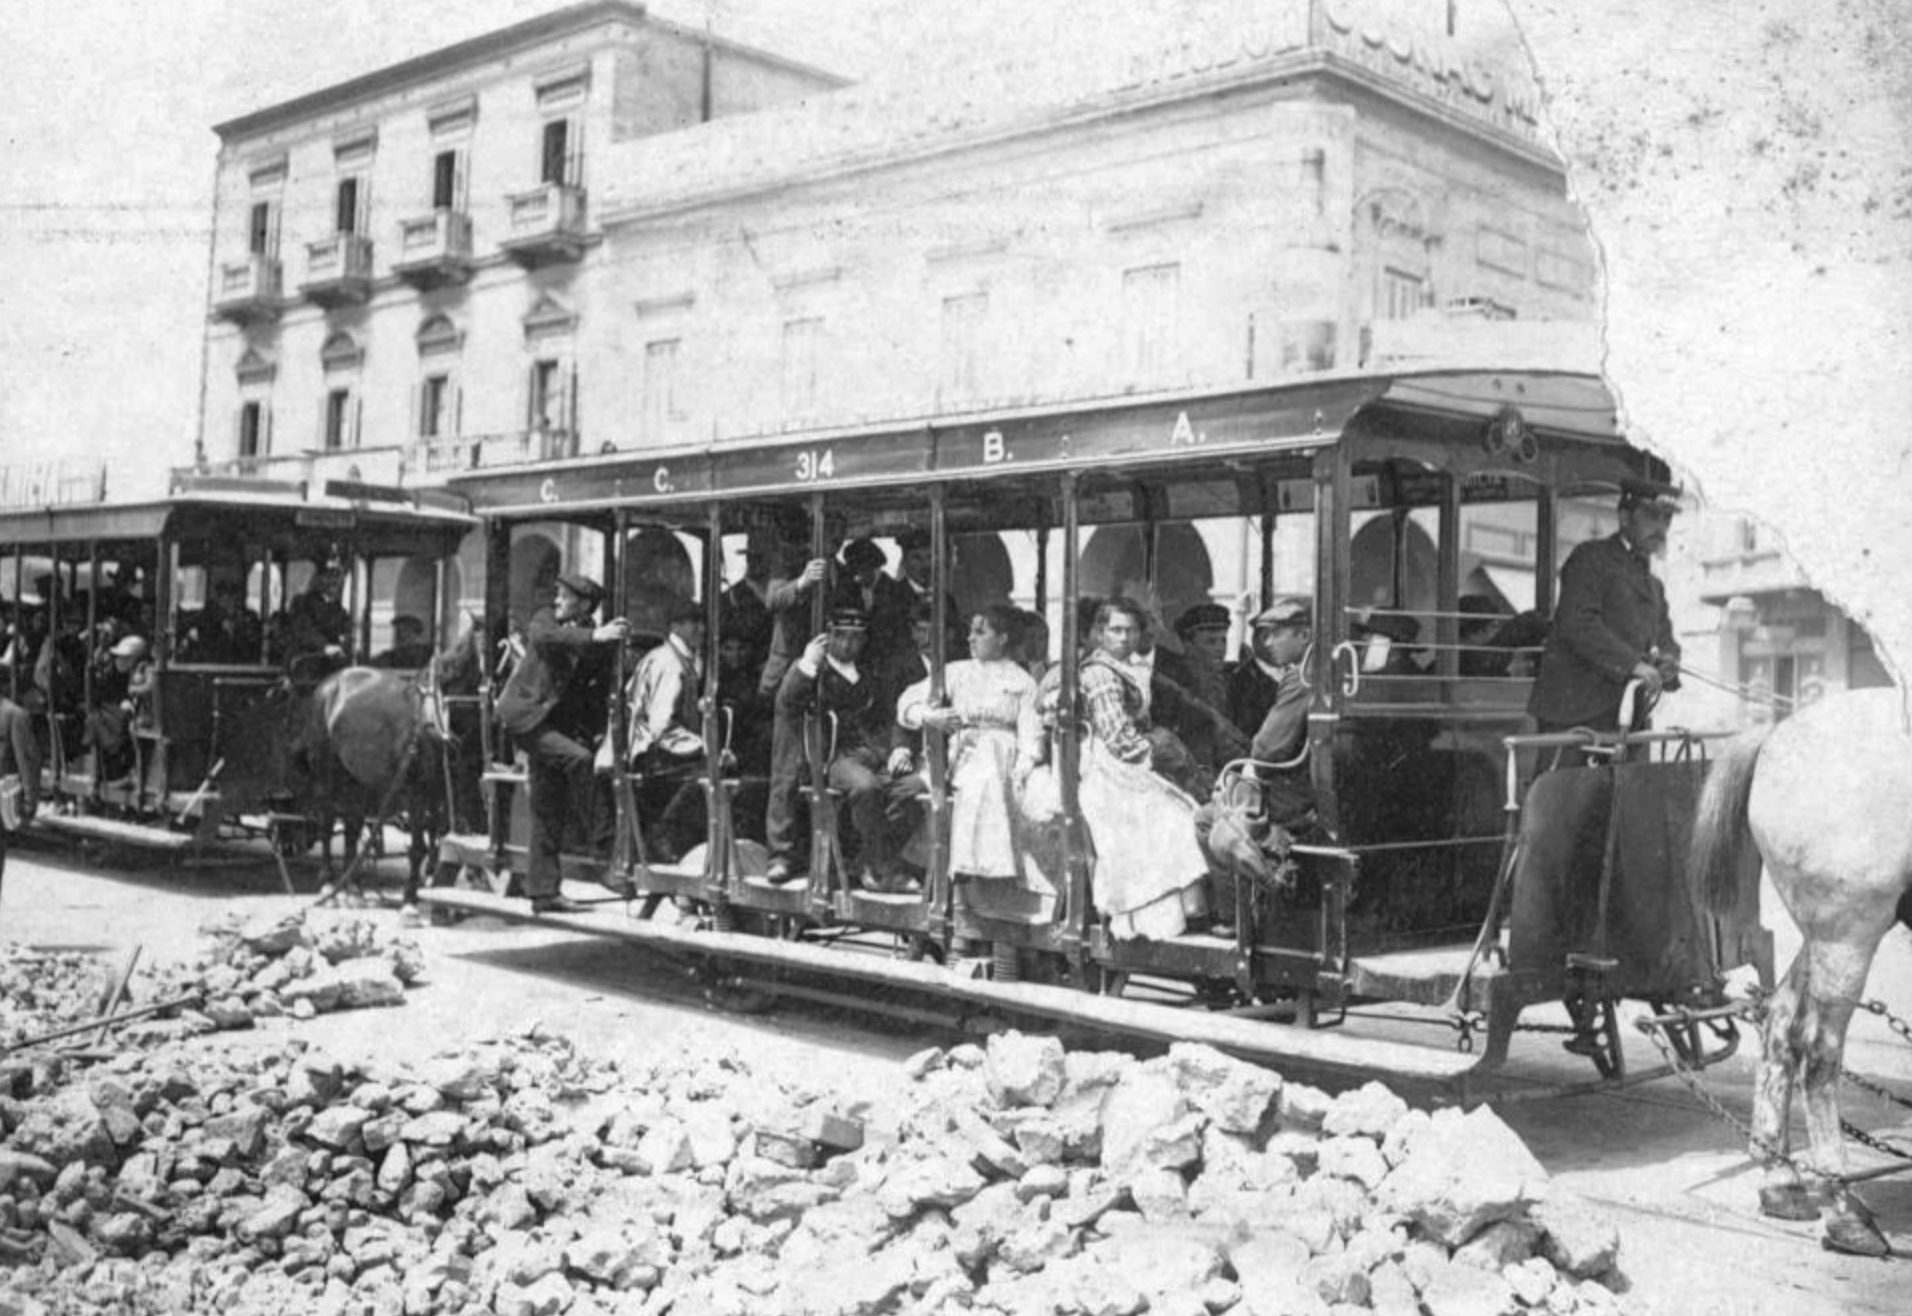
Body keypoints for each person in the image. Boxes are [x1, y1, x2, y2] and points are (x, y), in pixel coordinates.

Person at [1075, 598, 1211, 940]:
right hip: (1111, 772)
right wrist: (1160, 750)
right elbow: (1119, 737)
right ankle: (1153, 920)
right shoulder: (1099, 673)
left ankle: (1183, 913)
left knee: (1183, 813)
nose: (1124, 637)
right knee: (1175, 820)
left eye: (1131, 630)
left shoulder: (1129, 668)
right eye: (1116, 630)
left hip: (1131, 770)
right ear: (1101, 633)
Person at [494, 572, 629, 913]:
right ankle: (603, 853)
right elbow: (544, 638)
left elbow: (591, 690)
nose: (556, 601)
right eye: (557, 595)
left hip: (553, 726)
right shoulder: (546, 621)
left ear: (583, 604)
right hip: (524, 718)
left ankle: (542, 892)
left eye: (563, 596)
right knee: (580, 761)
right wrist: (596, 635)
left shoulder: (593, 638)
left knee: (547, 807)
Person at [897, 605, 1041, 885]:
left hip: (1004, 760)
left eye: (980, 632)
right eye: (970, 633)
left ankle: (979, 864)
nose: (970, 639)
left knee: (991, 754)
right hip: (960, 757)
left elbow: (1030, 735)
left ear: (1003, 638)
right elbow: (906, 702)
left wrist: (1025, 767)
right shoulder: (957, 672)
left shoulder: (1022, 682)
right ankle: (969, 864)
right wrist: (929, 715)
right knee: (982, 761)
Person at [1529, 476, 1683, 735]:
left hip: (1626, 717)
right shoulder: (1590, 558)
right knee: (1562, 778)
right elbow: (1577, 622)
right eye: (1652, 517)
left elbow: (1665, 638)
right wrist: (1633, 664)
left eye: (1666, 519)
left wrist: (1669, 662)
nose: (1660, 528)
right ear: (1625, 517)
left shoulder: (1655, 585)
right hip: (1574, 712)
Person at [766, 606, 906, 890]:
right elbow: (787, 701)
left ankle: (871, 858)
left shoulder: (869, 674)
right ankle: (877, 867)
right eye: (840, 636)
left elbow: (887, 718)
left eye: (855, 638)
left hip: (871, 754)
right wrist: (807, 664)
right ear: (827, 637)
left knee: (910, 790)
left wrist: (895, 749)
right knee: (866, 787)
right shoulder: (814, 670)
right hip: (834, 758)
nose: (847, 644)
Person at [621, 598, 709, 863]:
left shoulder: (680, 657)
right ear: (676, 626)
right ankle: (664, 834)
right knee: (709, 773)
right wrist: (704, 747)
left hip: (659, 750)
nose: (700, 629)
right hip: (652, 755)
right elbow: (662, 727)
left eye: (701, 623)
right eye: (692, 623)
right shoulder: (669, 663)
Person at [1241, 599, 1316, 830]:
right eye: (1264, 635)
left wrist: (1251, 769)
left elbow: (1266, 753)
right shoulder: (1320, 669)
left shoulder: (1302, 677)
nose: (1268, 642)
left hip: (1298, 795)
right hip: (1312, 789)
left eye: (1276, 634)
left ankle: (1266, 865)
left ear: (1303, 636)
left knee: (1205, 819)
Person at [83, 633, 151, 785]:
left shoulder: (144, 669)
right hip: (129, 710)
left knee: (128, 725)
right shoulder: (116, 673)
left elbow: (146, 689)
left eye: (125, 657)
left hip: (144, 713)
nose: (120, 660)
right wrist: (124, 700)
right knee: (103, 720)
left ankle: (133, 769)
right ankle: (114, 769)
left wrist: (131, 694)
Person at [285, 565, 352, 676]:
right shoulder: (303, 603)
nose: (335, 583)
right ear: (320, 581)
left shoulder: (338, 609)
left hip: (332, 658)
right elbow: (304, 630)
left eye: (338, 579)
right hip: (305, 657)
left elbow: (347, 627)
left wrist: (345, 640)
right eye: (331, 578)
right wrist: (325, 646)